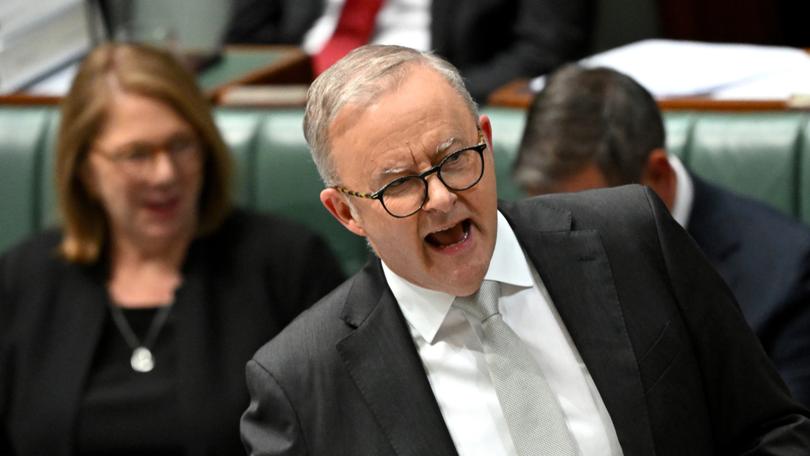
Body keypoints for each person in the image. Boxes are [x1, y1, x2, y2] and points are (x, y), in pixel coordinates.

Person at [240, 44, 810, 455]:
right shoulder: (300, 384)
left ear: (486, 139)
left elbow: (772, 430)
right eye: (399, 185)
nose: (441, 198)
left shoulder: (632, 236)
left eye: (455, 157)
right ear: (346, 212)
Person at [0, 43, 344, 455]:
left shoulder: (287, 264)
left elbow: (342, 428)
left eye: (181, 145)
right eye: (137, 154)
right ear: (86, 170)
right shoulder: (23, 280)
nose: (165, 174)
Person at [512, 64, 810, 408]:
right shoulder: (523, 251)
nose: (561, 238)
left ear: (657, 175)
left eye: (582, 214)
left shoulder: (787, 275)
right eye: (544, 211)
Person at [224, 0, 589, 101]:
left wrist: (436, 95)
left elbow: (545, 51)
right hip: (291, 94)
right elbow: (247, 37)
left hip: (436, 94)